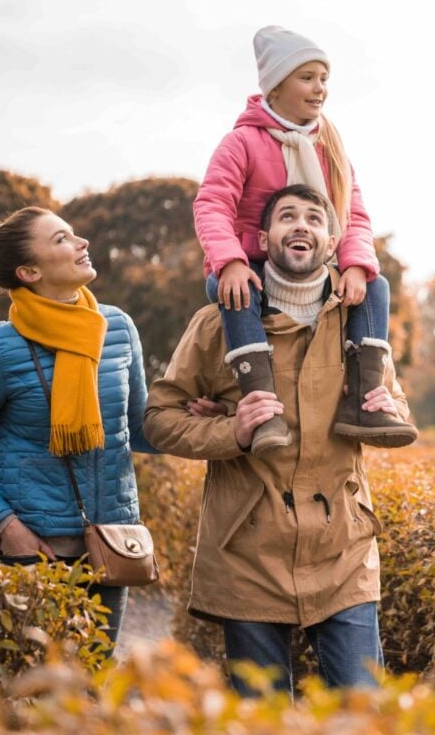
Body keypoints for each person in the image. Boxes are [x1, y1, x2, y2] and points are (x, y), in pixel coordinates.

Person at [145, 184, 412, 696]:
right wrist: (234, 430)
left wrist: (389, 407)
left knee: (365, 712)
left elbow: (396, 402)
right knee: (263, 719)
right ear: (263, 239)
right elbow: (159, 418)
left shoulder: (362, 323)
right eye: (287, 216)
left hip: (344, 552)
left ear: (333, 242)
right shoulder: (216, 323)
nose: (301, 226)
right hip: (248, 554)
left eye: (314, 218)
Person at [0, 206, 156, 652]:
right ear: (29, 271)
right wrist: (3, 525)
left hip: (110, 546)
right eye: (62, 240)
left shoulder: (116, 328)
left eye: (73, 234)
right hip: (33, 553)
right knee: (32, 694)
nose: (81, 243)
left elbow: (141, 429)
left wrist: (209, 418)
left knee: (91, 691)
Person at [193, 24, 416, 453]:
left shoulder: (330, 144)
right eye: (307, 78)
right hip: (256, 261)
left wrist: (353, 265)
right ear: (276, 86)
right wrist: (231, 260)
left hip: (315, 265)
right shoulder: (242, 141)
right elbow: (212, 204)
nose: (320, 89)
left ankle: (366, 401)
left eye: (324, 79)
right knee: (231, 292)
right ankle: (264, 409)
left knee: (376, 286)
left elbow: (354, 214)